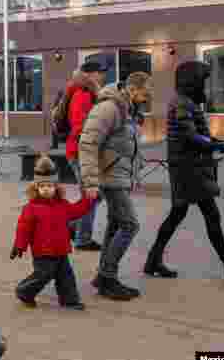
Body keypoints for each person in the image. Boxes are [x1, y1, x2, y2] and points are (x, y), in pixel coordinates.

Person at [143, 61, 224, 285]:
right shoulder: (182, 103)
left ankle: (153, 260)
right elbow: (191, 137)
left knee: (178, 214)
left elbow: (197, 134)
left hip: (189, 167)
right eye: (202, 81)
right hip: (189, 169)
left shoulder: (185, 102)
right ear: (191, 82)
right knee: (211, 215)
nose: (204, 86)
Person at [78, 71, 153, 300]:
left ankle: (103, 276)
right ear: (132, 89)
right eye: (145, 91)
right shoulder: (109, 108)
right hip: (109, 177)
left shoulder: (128, 109)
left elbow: (128, 145)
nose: (148, 95)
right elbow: (88, 142)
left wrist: (135, 174)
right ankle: (108, 278)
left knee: (115, 225)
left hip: (118, 175)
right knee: (130, 225)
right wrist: (90, 181)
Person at [11, 154, 94, 310]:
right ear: (36, 188)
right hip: (43, 251)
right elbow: (24, 228)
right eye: (42, 187)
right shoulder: (31, 208)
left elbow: (76, 211)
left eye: (50, 186)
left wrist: (88, 199)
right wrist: (19, 245)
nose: (46, 189)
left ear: (56, 187)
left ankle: (70, 300)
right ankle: (24, 291)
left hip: (61, 249)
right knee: (43, 274)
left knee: (66, 276)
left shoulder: (62, 204)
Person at [65, 57, 108, 251]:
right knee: (91, 194)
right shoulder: (82, 94)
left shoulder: (90, 93)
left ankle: (72, 225)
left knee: (95, 194)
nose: (102, 75)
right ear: (90, 75)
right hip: (81, 151)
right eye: (99, 72)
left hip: (86, 150)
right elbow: (80, 125)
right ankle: (83, 238)